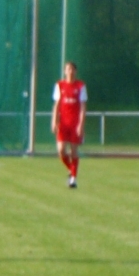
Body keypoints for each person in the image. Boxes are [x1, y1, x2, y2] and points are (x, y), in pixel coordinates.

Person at [52, 60, 86, 188]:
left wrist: (81, 125)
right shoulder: (59, 85)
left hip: (75, 123)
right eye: (68, 69)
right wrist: (54, 121)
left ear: (75, 71)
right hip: (63, 123)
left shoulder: (81, 86)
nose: (70, 71)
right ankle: (72, 170)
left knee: (73, 151)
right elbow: (57, 105)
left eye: (72, 69)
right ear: (64, 71)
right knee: (61, 150)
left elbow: (83, 107)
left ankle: (73, 179)